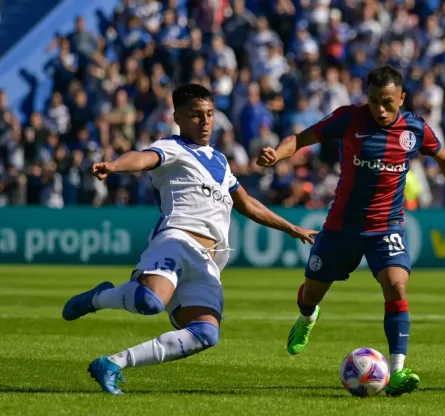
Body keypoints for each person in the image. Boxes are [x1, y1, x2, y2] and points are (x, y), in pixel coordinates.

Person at [61, 84, 317, 395]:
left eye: (209, 114)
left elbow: (247, 204)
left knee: (206, 333)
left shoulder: (221, 161)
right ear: (178, 117)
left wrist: (292, 227)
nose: (205, 121)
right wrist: (114, 166)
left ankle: (113, 363)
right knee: (150, 301)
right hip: (177, 239)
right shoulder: (172, 147)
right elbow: (142, 158)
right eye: (196, 115)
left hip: (209, 261)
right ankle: (98, 298)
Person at [257, 65, 445, 396]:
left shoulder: (414, 130)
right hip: (341, 226)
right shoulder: (350, 119)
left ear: (401, 98)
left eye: (388, 102)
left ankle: (399, 370)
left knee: (396, 286)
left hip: (386, 225)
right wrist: (278, 153)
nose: (380, 109)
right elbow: (302, 138)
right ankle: (306, 317)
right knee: (311, 293)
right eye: (374, 101)